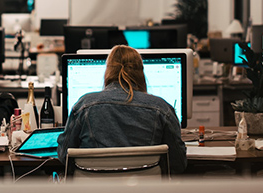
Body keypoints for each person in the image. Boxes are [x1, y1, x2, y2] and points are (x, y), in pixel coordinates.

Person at [57, 44, 187, 173]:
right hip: (145, 186)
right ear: (141, 73)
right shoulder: (162, 109)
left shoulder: (84, 106)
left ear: (108, 71)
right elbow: (179, 162)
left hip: (95, 186)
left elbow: (64, 155)